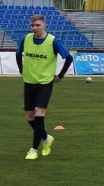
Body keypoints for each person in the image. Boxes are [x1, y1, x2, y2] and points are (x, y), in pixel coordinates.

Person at [16, 14, 74, 160]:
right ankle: (47, 139)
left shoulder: (53, 41)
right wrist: (21, 68)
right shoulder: (26, 39)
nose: (34, 28)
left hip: (45, 83)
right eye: (32, 26)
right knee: (29, 117)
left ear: (44, 26)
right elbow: (18, 54)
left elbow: (69, 58)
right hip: (29, 82)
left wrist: (60, 76)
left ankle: (33, 150)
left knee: (39, 113)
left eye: (38, 25)